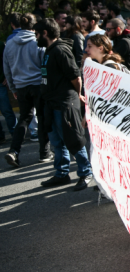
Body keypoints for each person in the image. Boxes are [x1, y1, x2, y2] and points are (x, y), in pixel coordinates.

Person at [33, 19, 92, 190]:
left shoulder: (61, 50)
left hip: (64, 104)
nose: (36, 38)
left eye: (37, 34)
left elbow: (76, 77)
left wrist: (78, 95)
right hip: (50, 104)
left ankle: (85, 172)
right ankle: (61, 173)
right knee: (57, 142)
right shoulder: (49, 50)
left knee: (73, 139)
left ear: (45, 33)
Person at [3, 13, 52, 167]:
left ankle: (14, 151)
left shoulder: (9, 44)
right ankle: (44, 153)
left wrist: (13, 87)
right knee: (42, 117)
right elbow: (45, 65)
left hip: (21, 86)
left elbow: (7, 69)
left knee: (24, 118)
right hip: (38, 85)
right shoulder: (37, 42)